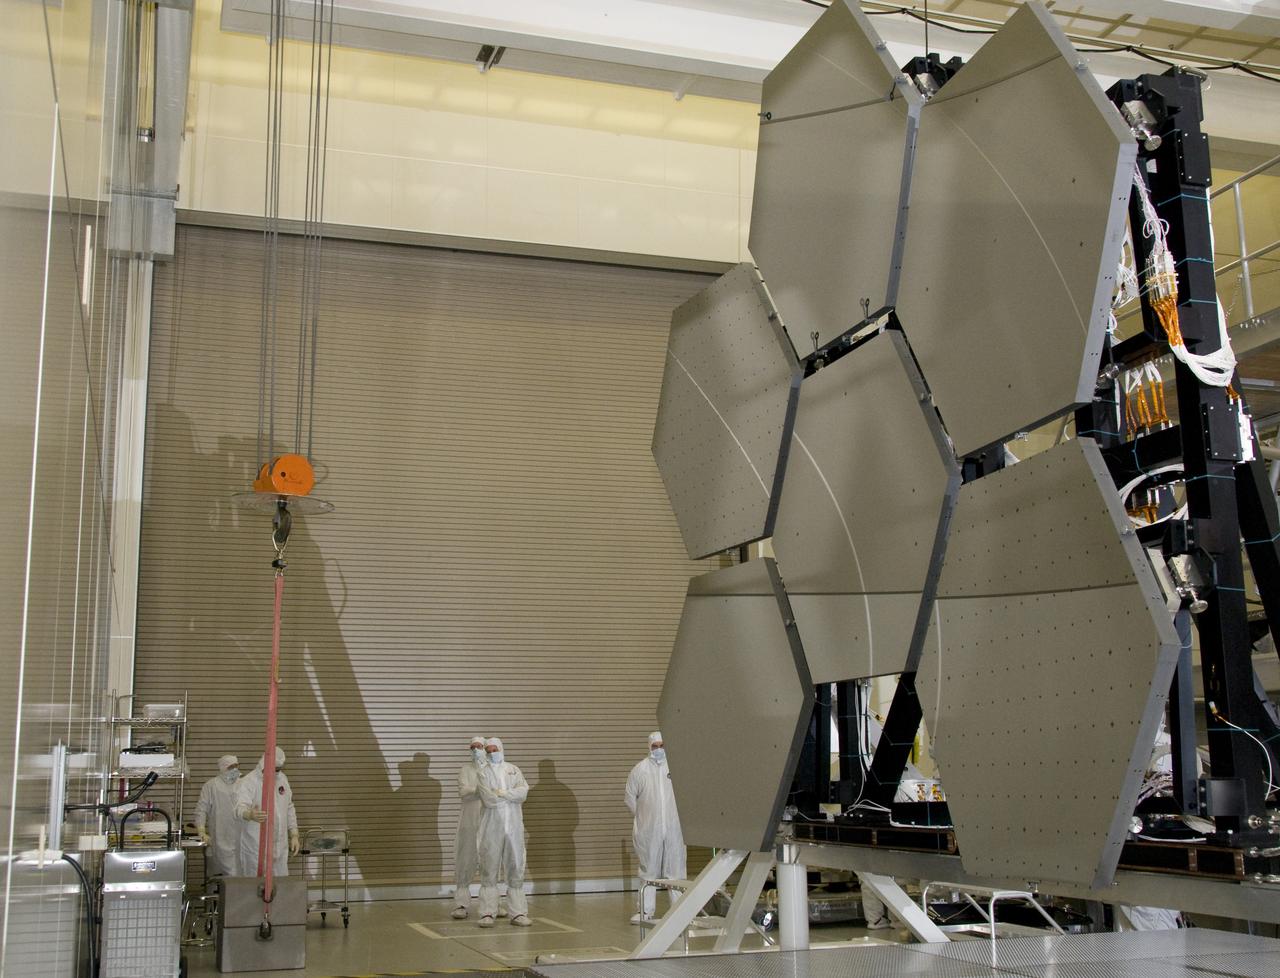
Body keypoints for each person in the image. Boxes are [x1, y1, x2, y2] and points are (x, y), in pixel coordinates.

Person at [624, 731, 686, 923]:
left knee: (675, 870)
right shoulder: (640, 770)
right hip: (649, 830)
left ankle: (679, 912)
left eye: (662, 745)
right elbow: (629, 799)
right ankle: (645, 911)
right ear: (649, 747)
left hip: (675, 829)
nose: (659, 750)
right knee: (648, 870)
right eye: (655, 746)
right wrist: (646, 818)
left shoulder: (677, 767)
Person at [476, 737, 531, 927]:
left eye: (494, 749)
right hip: (491, 826)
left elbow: (523, 792)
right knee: (489, 866)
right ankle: (487, 912)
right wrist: (508, 795)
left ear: (501, 749)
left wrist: (503, 793)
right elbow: (488, 798)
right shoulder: (483, 772)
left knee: (515, 865)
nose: (492, 753)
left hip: (513, 826)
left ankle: (517, 913)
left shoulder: (513, 769)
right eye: (488, 750)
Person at [233, 747, 300, 877]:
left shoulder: (282, 779)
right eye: (274, 769)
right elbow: (238, 809)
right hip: (256, 847)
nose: (276, 773)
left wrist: (294, 834)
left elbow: (289, 807)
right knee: (255, 888)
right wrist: (249, 814)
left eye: (278, 770)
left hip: (280, 846)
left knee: (280, 886)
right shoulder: (249, 782)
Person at [451, 736, 487, 919]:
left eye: (479, 746)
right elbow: (463, 792)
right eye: (472, 747)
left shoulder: (494, 768)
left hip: (489, 822)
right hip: (469, 822)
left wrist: (478, 790)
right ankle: (461, 904)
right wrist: (481, 789)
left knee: (492, 861)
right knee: (465, 859)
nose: (475, 750)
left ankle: (491, 904)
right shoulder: (465, 769)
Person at [194, 754, 242, 878]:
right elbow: (201, 810)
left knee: (240, 876)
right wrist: (201, 831)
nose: (235, 770)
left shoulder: (244, 784)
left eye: (237, 766)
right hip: (219, 837)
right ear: (223, 768)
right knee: (219, 878)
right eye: (231, 767)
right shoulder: (211, 786)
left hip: (240, 839)